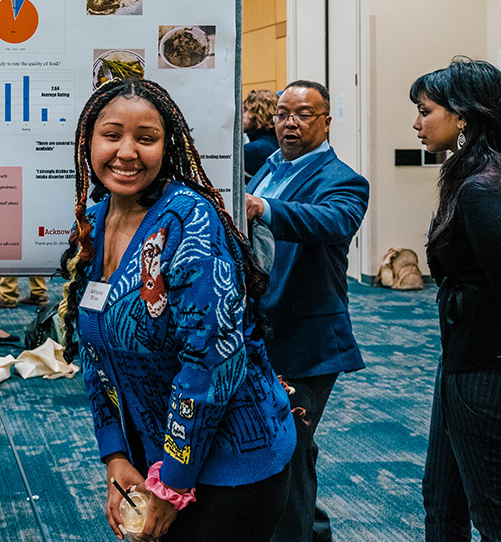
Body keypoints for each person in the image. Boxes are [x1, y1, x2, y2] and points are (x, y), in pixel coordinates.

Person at [61, 78, 295, 541]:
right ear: (89, 140)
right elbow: (94, 354)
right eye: (112, 135)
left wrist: (173, 484)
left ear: (167, 147)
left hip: (230, 465)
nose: (127, 151)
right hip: (150, 455)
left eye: (145, 139)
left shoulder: (190, 220)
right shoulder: (96, 220)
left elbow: (211, 363)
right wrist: (115, 457)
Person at [411, 57, 501, 541]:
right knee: (442, 501)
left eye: (425, 111)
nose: (417, 124)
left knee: (499, 521)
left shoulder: (484, 187)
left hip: (491, 368)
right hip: (466, 360)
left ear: (462, 115)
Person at [244, 80, 369, 542]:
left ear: (326, 121)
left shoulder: (344, 181)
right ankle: (312, 531)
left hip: (307, 339)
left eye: (303, 114)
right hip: (262, 332)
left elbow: (330, 220)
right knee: (285, 448)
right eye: (281, 114)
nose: (289, 123)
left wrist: (265, 207)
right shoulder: (268, 168)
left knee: (289, 451)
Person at [242, 89, 280, 180]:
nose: (241, 115)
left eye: (245, 109)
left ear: (257, 113)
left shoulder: (251, 150)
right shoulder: (281, 143)